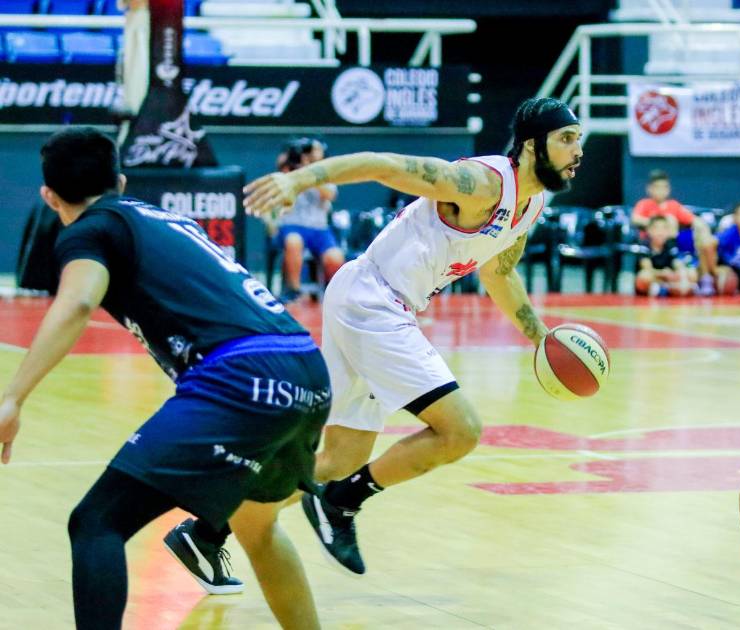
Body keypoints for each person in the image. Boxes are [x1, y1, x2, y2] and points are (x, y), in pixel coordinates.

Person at [168, 96, 583, 579]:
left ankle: (205, 531)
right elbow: (382, 164)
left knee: (339, 459)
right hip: (374, 299)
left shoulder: (531, 204)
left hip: (369, 299)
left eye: (579, 140)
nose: (578, 151)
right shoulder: (482, 184)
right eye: (567, 139)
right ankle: (340, 505)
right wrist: (300, 179)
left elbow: (499, 272)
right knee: (461, 430)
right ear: (532, 145)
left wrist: (541, 337)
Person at [0, 127, 332, 629]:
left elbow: (79, 301)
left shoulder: (92, 227)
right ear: (121, 181)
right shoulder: (164, 218)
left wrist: (13, 397)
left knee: (96, 522)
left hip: (240, 376)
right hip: (307, 367)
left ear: (49, 197)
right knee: (257, 528)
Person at [269, 138, 344, 303]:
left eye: (315, 151)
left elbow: (329, 195)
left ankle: (333, 293)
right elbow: (280, 176)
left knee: (335, 257)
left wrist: (310, 172)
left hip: (319, 229)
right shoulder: (290, 170)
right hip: (292, 225)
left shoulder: (326, 173)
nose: (310, 154)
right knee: (293, 242)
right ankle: (293, 290)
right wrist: (294, 164)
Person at [631, 169, 719, 295]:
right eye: (657, 187)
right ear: (649, 189)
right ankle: (665, 287)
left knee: (690, 274)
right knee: (644, 278)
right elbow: (635, 219)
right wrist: (659, 223)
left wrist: (704, 232)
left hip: (671, 250)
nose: (660, 191)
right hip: (652, 250)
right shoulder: (644, 204)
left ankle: (703, 279)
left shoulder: (673, 205)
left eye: (664, 187)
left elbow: (695, 220)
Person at [634, 216, 696, 297]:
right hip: (655, 277)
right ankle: (666, 289)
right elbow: (647, 268)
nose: (660, 232)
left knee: (691, 273)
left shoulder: (671, 244)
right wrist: (663, 273)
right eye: (656, 228)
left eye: (664, 229)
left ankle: (664, 290)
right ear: (649, 230)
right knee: (644, 276)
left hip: (668, 278)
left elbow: (677, 263)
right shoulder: (644, 245)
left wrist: (681, 273)